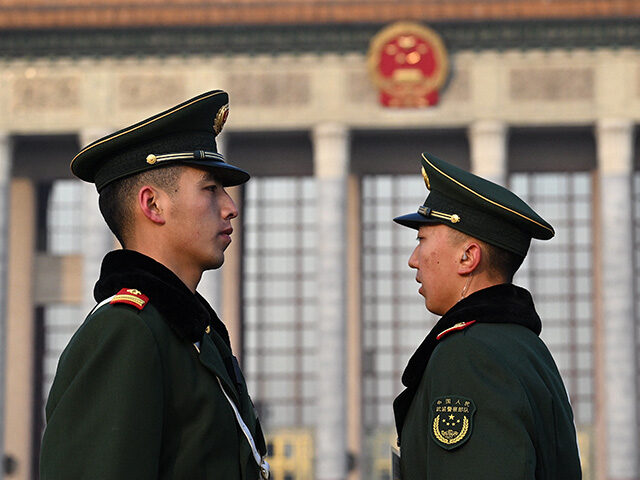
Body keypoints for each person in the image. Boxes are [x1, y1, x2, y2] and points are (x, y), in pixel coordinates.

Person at [40, 90, 269, 480]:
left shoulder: (189, 333)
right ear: (153, 205)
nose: (231, 206)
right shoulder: (126, 332)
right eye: (211, 189)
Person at [392, 153, 582, 479]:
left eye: (421, 240)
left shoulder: (469, 354)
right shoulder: (520, 345)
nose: (413, 260)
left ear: (468, 257)